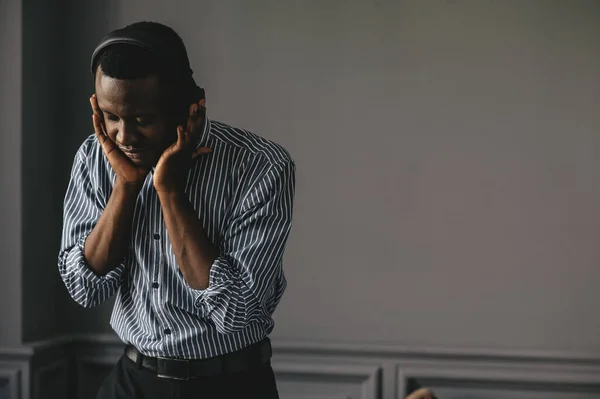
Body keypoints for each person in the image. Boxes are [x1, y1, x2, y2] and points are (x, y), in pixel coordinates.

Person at [58, 21, 295, 399]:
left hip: (232, 385)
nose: (124, 137)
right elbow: (83, 287)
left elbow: (236, 313)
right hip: (132, 381)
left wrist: (169, 192)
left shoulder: (261, 166)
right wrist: (127, 185)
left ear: (190, 105)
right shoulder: (94, 157)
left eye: (143, 120)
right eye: (110, 116)